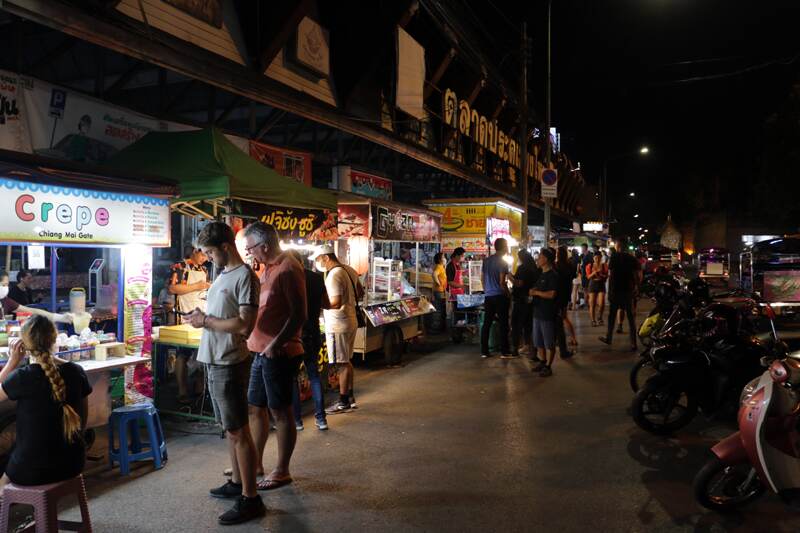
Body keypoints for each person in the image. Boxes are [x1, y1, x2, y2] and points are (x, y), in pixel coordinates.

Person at [187, 222, 264, 526]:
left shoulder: (244, 276)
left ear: (225, 247)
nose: (207, 257)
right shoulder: (222, 275)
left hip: (230, 362)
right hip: (214, 360)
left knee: (238, 430)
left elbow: (245, 324)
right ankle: (237, 483)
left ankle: (251, 498)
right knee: (229, 430)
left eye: (209, 252)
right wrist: (202, 319)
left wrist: (205, 320)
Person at [243, 222, 307, 492]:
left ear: (265, 246)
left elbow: (298, 314)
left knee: (280, 410)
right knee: (255, 406)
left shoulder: (289, 268)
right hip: (260, 349)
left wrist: (275, 344)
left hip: (278, 352)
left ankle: (282, 470)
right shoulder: (268, 268)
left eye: (251, 248)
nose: (250, 253)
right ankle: (255, 462)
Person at [0, 316, 92, 488]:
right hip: (73, 464)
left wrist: (13, 361)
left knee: (4, 473)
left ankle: (6, 506)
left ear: (24, 344)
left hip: (32, 470)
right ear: (55, 338)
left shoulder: (22, 377)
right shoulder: (76, 372)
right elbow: (83, 421)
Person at [313, 245, 363, 414]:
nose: (318, 263)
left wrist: (316, 305)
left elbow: (336, 302)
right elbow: (360, 292)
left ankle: (343, 402)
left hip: (338, 325)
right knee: (347, 360)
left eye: (318, 259)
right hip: (351, 320)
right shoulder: (349, 270)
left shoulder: (334, 275)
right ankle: (349, 397)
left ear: (326, 257)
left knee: (342, 363)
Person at [290, 251, 330, 432]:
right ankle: (321, 419)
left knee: (293, 378)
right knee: (314, 375)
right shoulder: (317, 278)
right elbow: (327, 304)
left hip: (294, 334)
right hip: (313, 331)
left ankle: (297, 421)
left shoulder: (288, 277)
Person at [169, 247, 211, 404]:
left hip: (202, 314)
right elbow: (173, 288)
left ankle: (200, 389)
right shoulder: (180, 266)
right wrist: (197, 286)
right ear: (195, 251)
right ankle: (182, 391)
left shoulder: (204, 269)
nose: (205, 258)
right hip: (186, 316)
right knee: (183, 354)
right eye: (203, 255)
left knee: (201, 352)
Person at [600, 239, 641, 351]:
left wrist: (610, 291)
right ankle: (633, 343)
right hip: (628, 290)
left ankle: (609, 337)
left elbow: (611, 274)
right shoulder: (632, 258)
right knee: (631, 317)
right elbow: (636, 274)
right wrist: (637, 287)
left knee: (612, 316)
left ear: (618, 246)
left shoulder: (614, 257)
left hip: (616, 290)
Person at [481, 238, 513, 358]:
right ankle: (504, 351)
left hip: (488, 296)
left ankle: (484, 351)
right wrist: (508, 294)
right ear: (504, 247)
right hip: (500, 296)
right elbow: (501, 282)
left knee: (487, 323)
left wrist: (487, 291)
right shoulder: (502, 262)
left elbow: (482, 279)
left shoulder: (487, 261)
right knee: (503, 324)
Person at [0, 272, 72, 324]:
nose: (6, 288)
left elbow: (32, 310)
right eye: (4, 285)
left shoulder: (6, 301)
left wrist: (61, 318)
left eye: (7, 285)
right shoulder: (13, 292)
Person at [530, 248, 558, 377]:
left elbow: (552, 294)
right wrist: (534, 290)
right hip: (537, 312)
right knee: (538, 341)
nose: (538, 259)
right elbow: (538, 287)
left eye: (540, 257)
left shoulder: (553, 275)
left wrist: (536, 292)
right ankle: (542, 361)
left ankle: (548, 366)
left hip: (547, 313)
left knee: (549, 342)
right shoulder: (541, 273)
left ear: (546, 259)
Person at [511, 250, 539, 356]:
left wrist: (510, 278)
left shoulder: (522, 268)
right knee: (528, 325)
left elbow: (519, 283)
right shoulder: (534, 268)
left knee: (516, 325)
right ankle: (530, 348)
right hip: (530, 301)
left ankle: (515, 348)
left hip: (521, 300)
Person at [554, 246, 577, 358]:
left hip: (556, 297)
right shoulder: (570, 266)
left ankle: (562, 344)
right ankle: (572, 338)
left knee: (560, 320)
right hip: (565, 296)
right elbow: (572, 278)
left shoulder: (556, 266)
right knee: (563, 317)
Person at [586, 253, 608, 327]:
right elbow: (588, 277)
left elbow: (606, 275)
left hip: (601, 284)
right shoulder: (590, 265)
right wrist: (594, 273)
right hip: (592, 284)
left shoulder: (604, 265)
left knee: (601, 303)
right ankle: (593, 320)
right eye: (596, 258)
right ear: (593, 258)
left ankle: (600, 317)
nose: (597, 259)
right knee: (592, 304)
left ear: (601, 258)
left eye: (599, 258)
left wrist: (601, 274)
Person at [432, 252, 448, 332]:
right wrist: (439, 284)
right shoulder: (438, 267)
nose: (445, 258)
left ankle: (441, 327)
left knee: (442, 309)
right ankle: (437, 328)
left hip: (441, 291)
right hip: (439, 291)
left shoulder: (442, 267)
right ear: (439, 259)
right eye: (443, 257)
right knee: (439, 310)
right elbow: (434, 275)